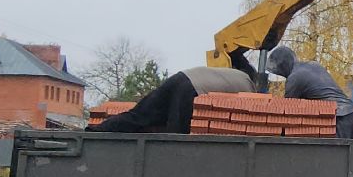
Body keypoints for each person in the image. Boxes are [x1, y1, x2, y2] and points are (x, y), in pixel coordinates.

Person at [89, 50, 259, 134]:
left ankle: (95, 132)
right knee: (175, 139)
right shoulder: (248, 85)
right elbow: (244, 115)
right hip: (189, 91)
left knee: (139, 116)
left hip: (179, 78)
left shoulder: (229, 74)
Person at [266, 45, 353, 139]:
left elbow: (287, 112)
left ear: (284, 65)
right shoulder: (314, 65)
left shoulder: (294, 78)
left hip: (339, 117)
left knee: (337, 153)